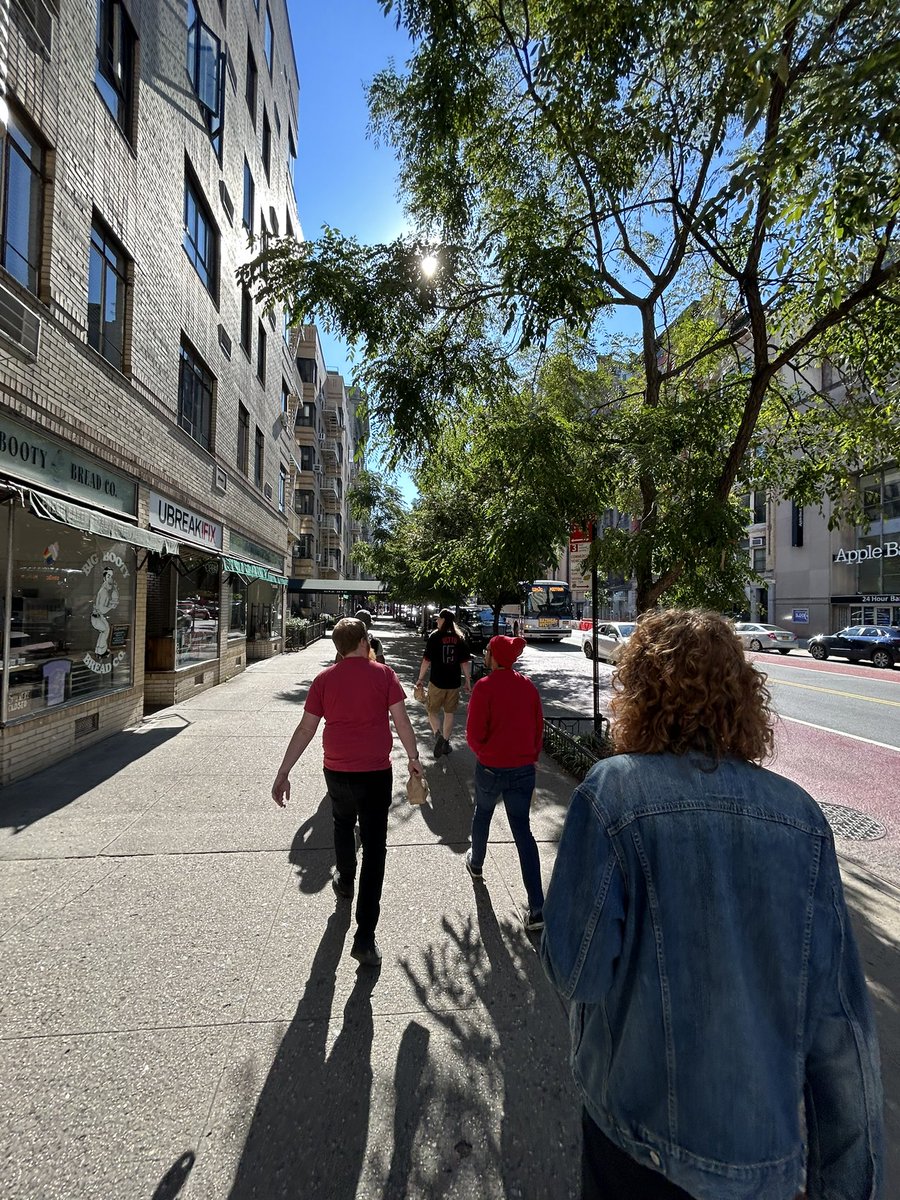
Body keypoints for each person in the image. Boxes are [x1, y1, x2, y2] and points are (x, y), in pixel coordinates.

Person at [541, 609, 883, 1200]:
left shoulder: (613, 793)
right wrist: (846, 1184)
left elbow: (577, 972)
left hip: (634, 1140)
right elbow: (842, 1029)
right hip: (762, 1157)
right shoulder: (802, 818)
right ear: (743, 698)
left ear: (638, 695)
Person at [272, 617, 423, 967]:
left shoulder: (324, 680)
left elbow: (306, 728)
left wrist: (284, 772)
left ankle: (344, 879)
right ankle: (365, 937)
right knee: (374, 848)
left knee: (341, 822)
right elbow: (401, 721)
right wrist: (413, 758)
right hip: (375, 772)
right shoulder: (384, 675)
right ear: (364, 642)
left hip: (336, 770)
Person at [464, 634, 545, 930]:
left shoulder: (484, 687)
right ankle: (537, 908)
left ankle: (476, 863)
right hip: (523, 769)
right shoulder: (528, 687)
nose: (485, 654)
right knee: (523, 832)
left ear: (494, 656)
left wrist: (484, 753)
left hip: (491, 768)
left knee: (482, 813)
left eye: (488, 650)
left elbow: (473, 733)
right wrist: (531, 755)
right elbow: (538, 727)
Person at [416, 608, 472, 757]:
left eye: (438, 618)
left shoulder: (435, 636)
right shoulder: (459, 638)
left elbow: (426, 660)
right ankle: (446, 742)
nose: (437, 621)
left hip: (437, 682)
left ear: (443, 620)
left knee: (432, 711)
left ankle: (437, 735)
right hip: (454, 683)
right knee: (449, 713)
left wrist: (420, 678)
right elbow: (464, 662)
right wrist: (467, 680)